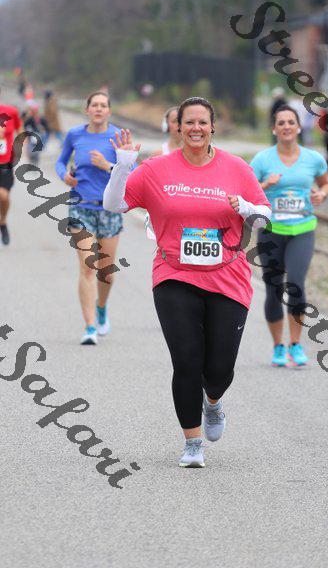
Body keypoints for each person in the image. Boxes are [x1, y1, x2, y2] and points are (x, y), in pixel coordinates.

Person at [103, 96, 271, 468]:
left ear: (213, 127)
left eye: (202, 122)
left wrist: (246, 208)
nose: (195, 128)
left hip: (228, 277)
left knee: (219, 370)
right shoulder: (155, 169)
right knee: (186, 361)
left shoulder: (237, 168)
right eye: (188, 122)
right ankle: (192, 443)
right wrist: (123, 165)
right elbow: (113, 204)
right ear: (177, 127)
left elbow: (263, 216)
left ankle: (213, 401)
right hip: (174, 275)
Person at [250, 105, 328, 368]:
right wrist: (266, 185)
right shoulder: (262, 160)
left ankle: (295, 344)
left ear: (298, 127)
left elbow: (325, 183)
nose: (286, 126)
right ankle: (278, 346)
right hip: (271, 231)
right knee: (274, 288)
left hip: (302, 230)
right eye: (281, 123)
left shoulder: (313, 158)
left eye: (290, 122)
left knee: (296, 283)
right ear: (274, 129)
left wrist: (321, 194)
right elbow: (247, 192)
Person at [55, 91, 122, 345]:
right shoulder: (75, 135)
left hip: (109, 209)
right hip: (80, 207)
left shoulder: (118, 136)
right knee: (87, 267)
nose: (99, 109)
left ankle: (101, 307)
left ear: (109, 111)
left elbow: (132, 171)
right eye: (94, 105)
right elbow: (60, 162)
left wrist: (107, 165)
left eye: (103, 105)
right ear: (87, 110)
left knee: (106, 272)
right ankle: (90, 326)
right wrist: (64, 176)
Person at [144, 107, 182, 239]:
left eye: (182, 121)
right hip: (165, 215)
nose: (178, 125)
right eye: (175, 121)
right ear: (166, 125)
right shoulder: (158, 154)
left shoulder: (197, 154)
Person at [0, 89, 22, 245]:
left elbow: (19, 128)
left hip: (5, 163)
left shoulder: (10, 111)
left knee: (4, 196)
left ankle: (2, 221)